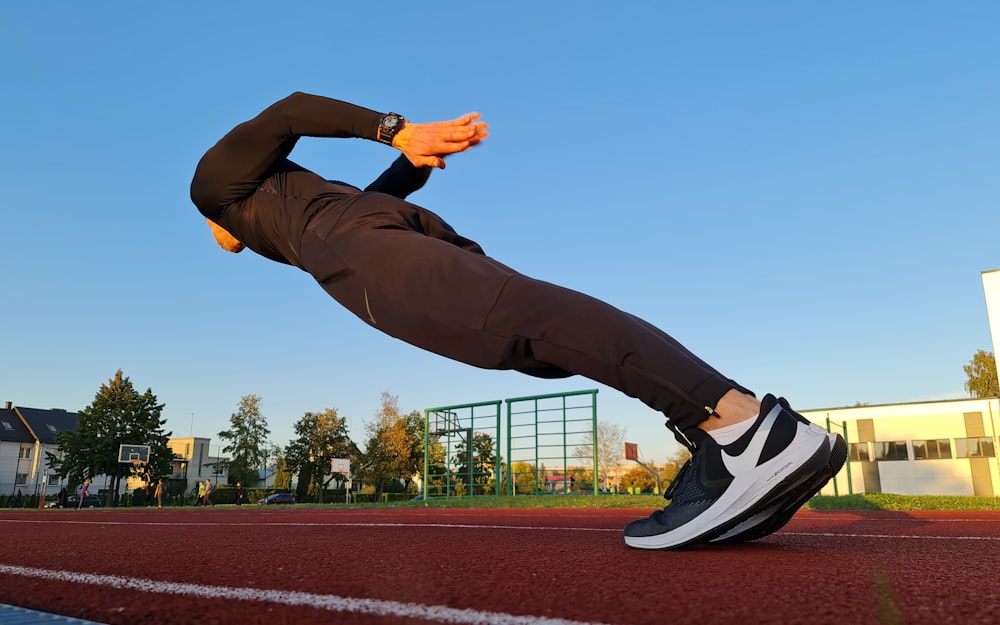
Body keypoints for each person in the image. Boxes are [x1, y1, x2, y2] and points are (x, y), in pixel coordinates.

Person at [190, 92, 846, 549]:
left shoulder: (210, 188)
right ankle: (731, 435)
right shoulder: (281, 207)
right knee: (539, 341)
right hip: (382, 224)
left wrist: (397, 129)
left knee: (526, 318)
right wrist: (408, 166)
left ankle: (743, 427)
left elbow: (288, 111)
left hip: (352, 244)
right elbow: (370, 204)